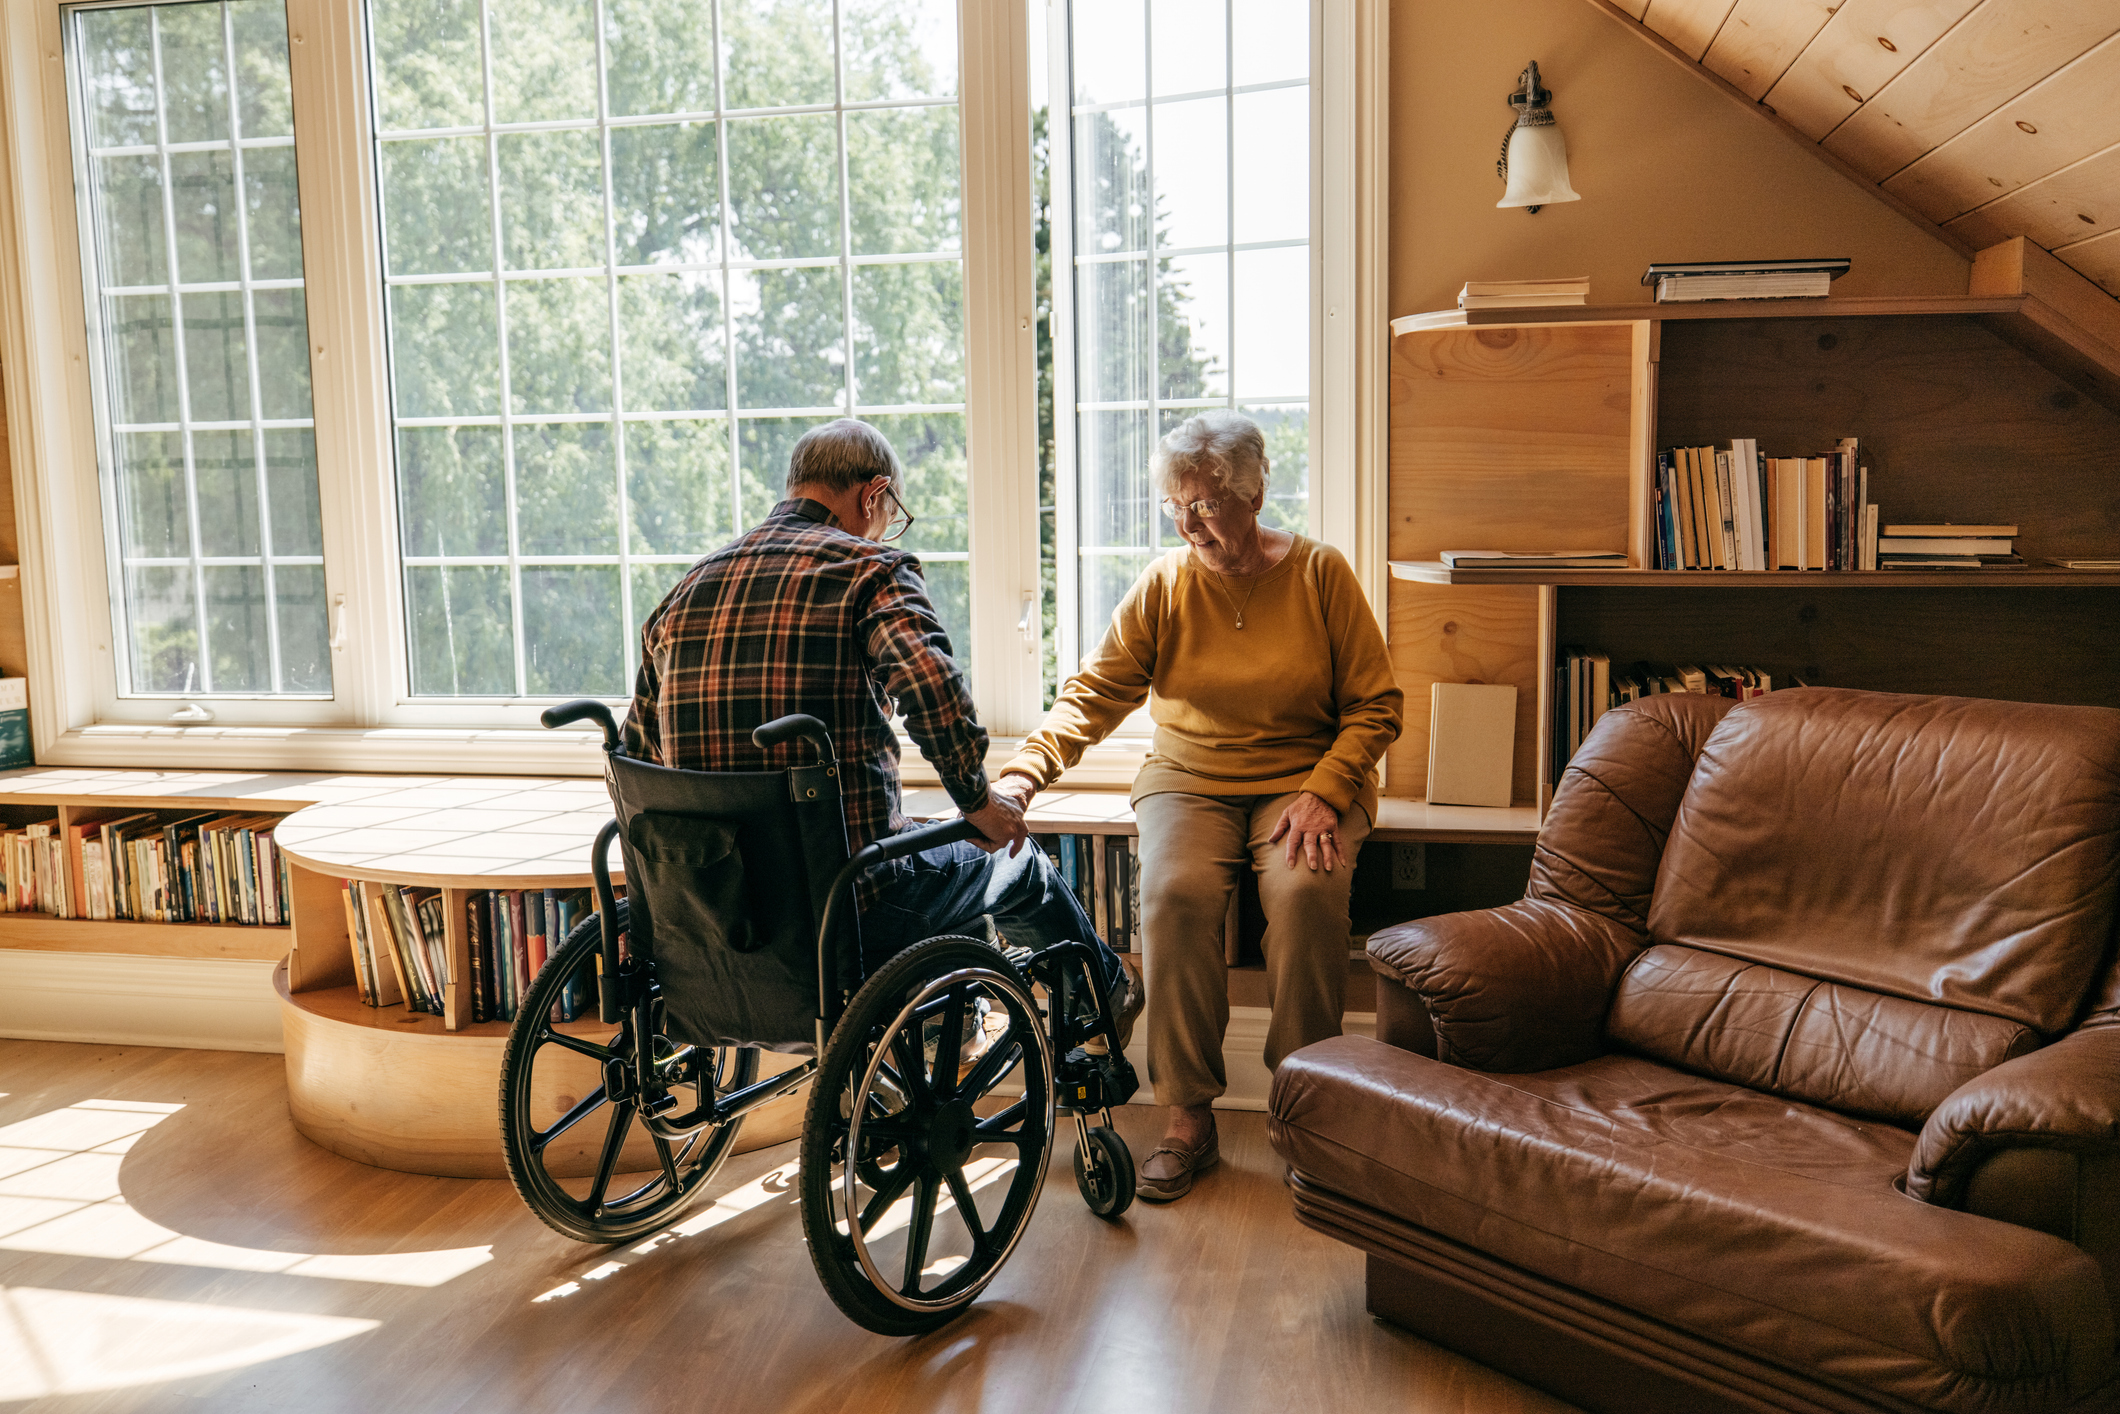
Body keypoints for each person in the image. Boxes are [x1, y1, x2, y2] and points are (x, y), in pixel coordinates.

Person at [622, 417, 1138, 1042]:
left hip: (715, 909)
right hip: (850, 909)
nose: (886, 527)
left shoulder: (687, 588)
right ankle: (1105, 993)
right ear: (874, 494)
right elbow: (931, 687)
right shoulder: (870, 570)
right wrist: (978, 801)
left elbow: (640, 756)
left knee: (935, 850)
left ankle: (953, 1025)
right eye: (890, 513)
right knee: (1011, 854)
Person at [995, 410, 1402, 1201]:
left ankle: (1306, 1105)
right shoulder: (1166, 584)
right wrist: (1022, 775)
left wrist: (1327, 789)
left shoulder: (1321, 575)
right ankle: (1187, 1116)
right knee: (1175, 896)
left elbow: (1376, 705)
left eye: (1208, 505)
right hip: (1190, 777)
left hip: (1307, 778)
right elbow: (1095, 692)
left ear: (1254, 493)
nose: (1191, 525)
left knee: (1309, 893)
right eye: (1176, 507)